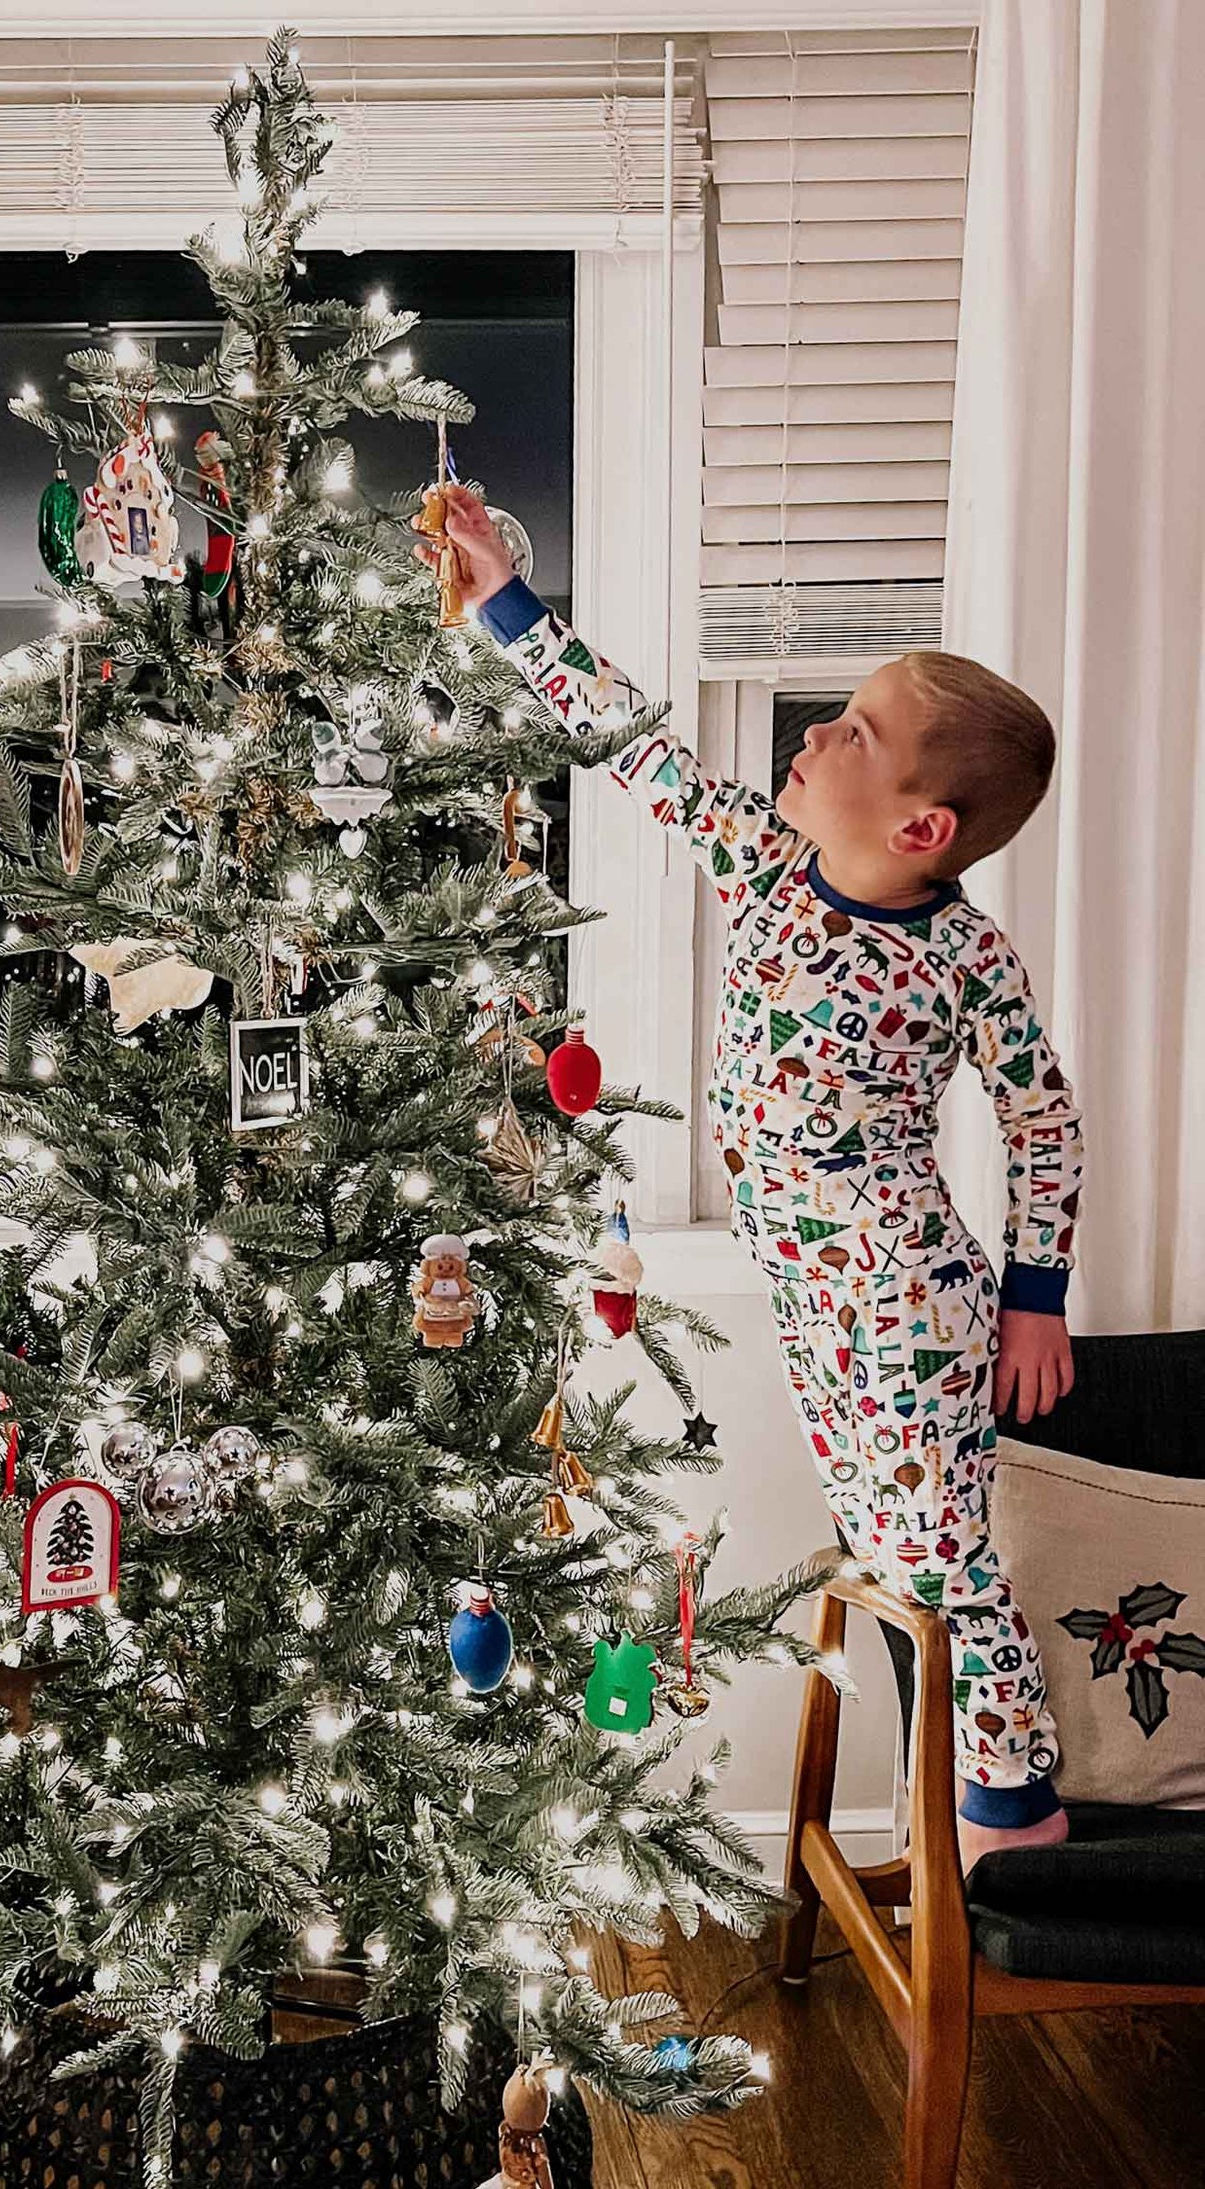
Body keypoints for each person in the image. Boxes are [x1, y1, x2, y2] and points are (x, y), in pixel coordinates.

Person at [427, 487, 1081, 1869]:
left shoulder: (963, 958)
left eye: (854, 734)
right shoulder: (771, 867)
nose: (814, 734)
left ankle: (1014, 1811)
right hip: (806, 1286)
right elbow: (634, 745)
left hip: (901, 1298)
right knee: (886, 1551)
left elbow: (1041, 1123)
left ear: (921, 828)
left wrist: (1035, 1297)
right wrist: (503, 605)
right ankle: (959, 1802)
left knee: (938, 1556)